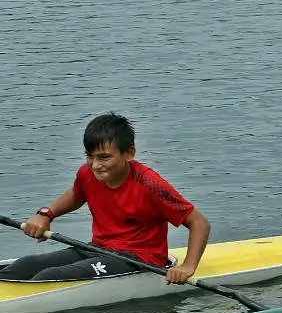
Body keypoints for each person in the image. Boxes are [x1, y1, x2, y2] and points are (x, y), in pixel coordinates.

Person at [1, 112, 211, 284]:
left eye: (104, 157)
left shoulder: (151, 185)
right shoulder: (88, 173)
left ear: (129, 154)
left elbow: (199, 223)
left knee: (49, 278)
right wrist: (46, 214)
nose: (95, 165)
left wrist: (187, 267)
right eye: (90, 156)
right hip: (98, 248)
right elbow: (76, 195)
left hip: (139, 258)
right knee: (24, 265)